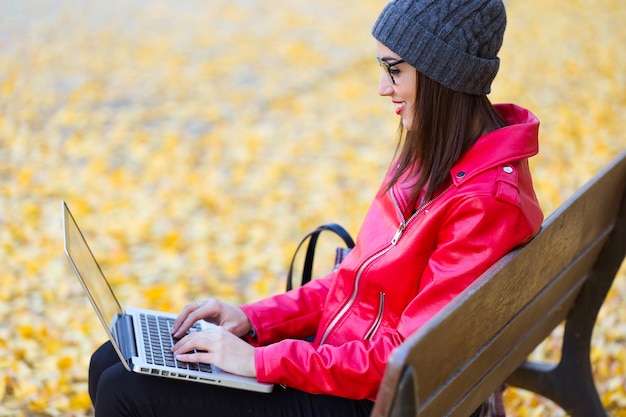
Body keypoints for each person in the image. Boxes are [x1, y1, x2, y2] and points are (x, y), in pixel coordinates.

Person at [88, 0, 543, 415]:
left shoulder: (484, 202)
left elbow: (410, 360)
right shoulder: (440, 153)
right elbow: (354, 284)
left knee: (123, 389)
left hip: (379, 398)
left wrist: (261, 361)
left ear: (443, 75)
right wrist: (254, 320)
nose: (383, 88)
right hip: (349, 362)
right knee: (112, 358)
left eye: (395, 70)